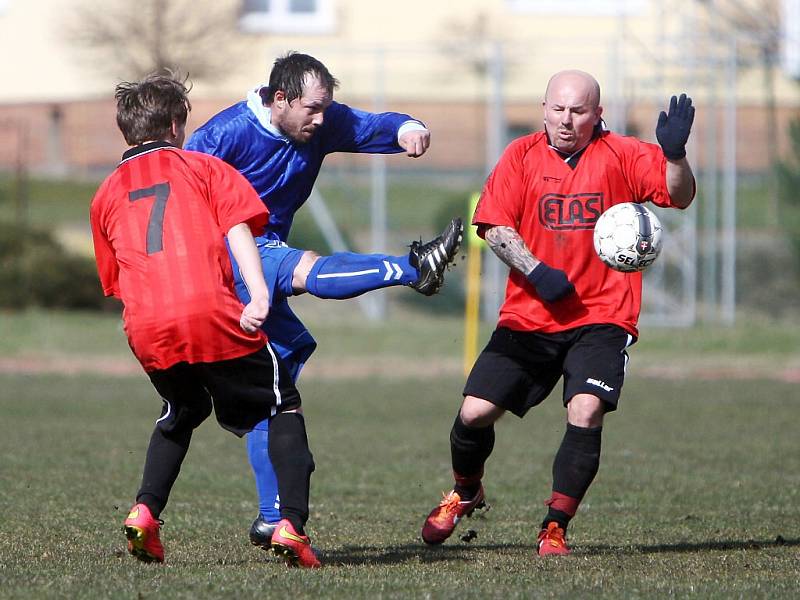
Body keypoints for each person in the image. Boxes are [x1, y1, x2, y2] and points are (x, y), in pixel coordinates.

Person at [185, 51, 463, 547]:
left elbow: (372, 126)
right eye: (311, 109)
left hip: (257, 258)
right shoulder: (220, 137)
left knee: (274, 389)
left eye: (325, 109)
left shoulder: (320, 121)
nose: (321, 118)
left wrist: (408, 129)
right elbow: (182, 201)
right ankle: (414, 267)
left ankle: (273, 515)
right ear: (279, 99)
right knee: (305, 268)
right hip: (228, 260)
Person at [420, 70, 696, 556]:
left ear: (598, 114)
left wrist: (674, 156)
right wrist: (537, 270)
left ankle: (555, 526)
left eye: (579, 111)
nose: (566, 121)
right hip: (530, 315)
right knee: (474, 412)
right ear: (544, 108)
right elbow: (494, 224)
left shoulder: (623, 154)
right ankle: (465, 490)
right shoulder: (521, 155)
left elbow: (679, 195)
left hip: (602, 315)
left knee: (586, 411)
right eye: (558, 109)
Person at [90, 73, 320, 568]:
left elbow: (115, 280)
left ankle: (144, 512)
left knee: (183, 408)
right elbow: (239, 229)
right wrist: (258, 294)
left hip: (147, 326)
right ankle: (292, 526)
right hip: (210, 312)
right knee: (283, 405)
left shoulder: (105, 194)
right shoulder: (203, 168)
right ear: (176, 124)